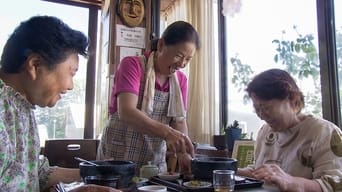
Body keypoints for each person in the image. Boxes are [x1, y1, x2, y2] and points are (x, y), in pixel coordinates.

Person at [0, 16, 120, 192]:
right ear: (35, 65)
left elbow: (34, 173)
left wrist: (95, 171)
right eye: (71, 73)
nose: (71, 86)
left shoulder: (20, 106)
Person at [97, 21, 200, 175]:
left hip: (153, 163)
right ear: (161, 45)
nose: (182, 64)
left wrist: (182, 152)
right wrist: (167, 133)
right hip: (118, 156)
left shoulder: (181, 81)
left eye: (188, 59)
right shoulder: (133, 65)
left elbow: (179, 121)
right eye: (179, 55)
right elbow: (127, 111)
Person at [238, 68, 342, 191]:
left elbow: (334, 185)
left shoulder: (324, 132)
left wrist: (292, 182)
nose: (261, 115)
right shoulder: (265, 132)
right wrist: (227, 169)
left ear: (293, 99)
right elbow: (260, 172)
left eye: (266, 108)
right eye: (257, 109)